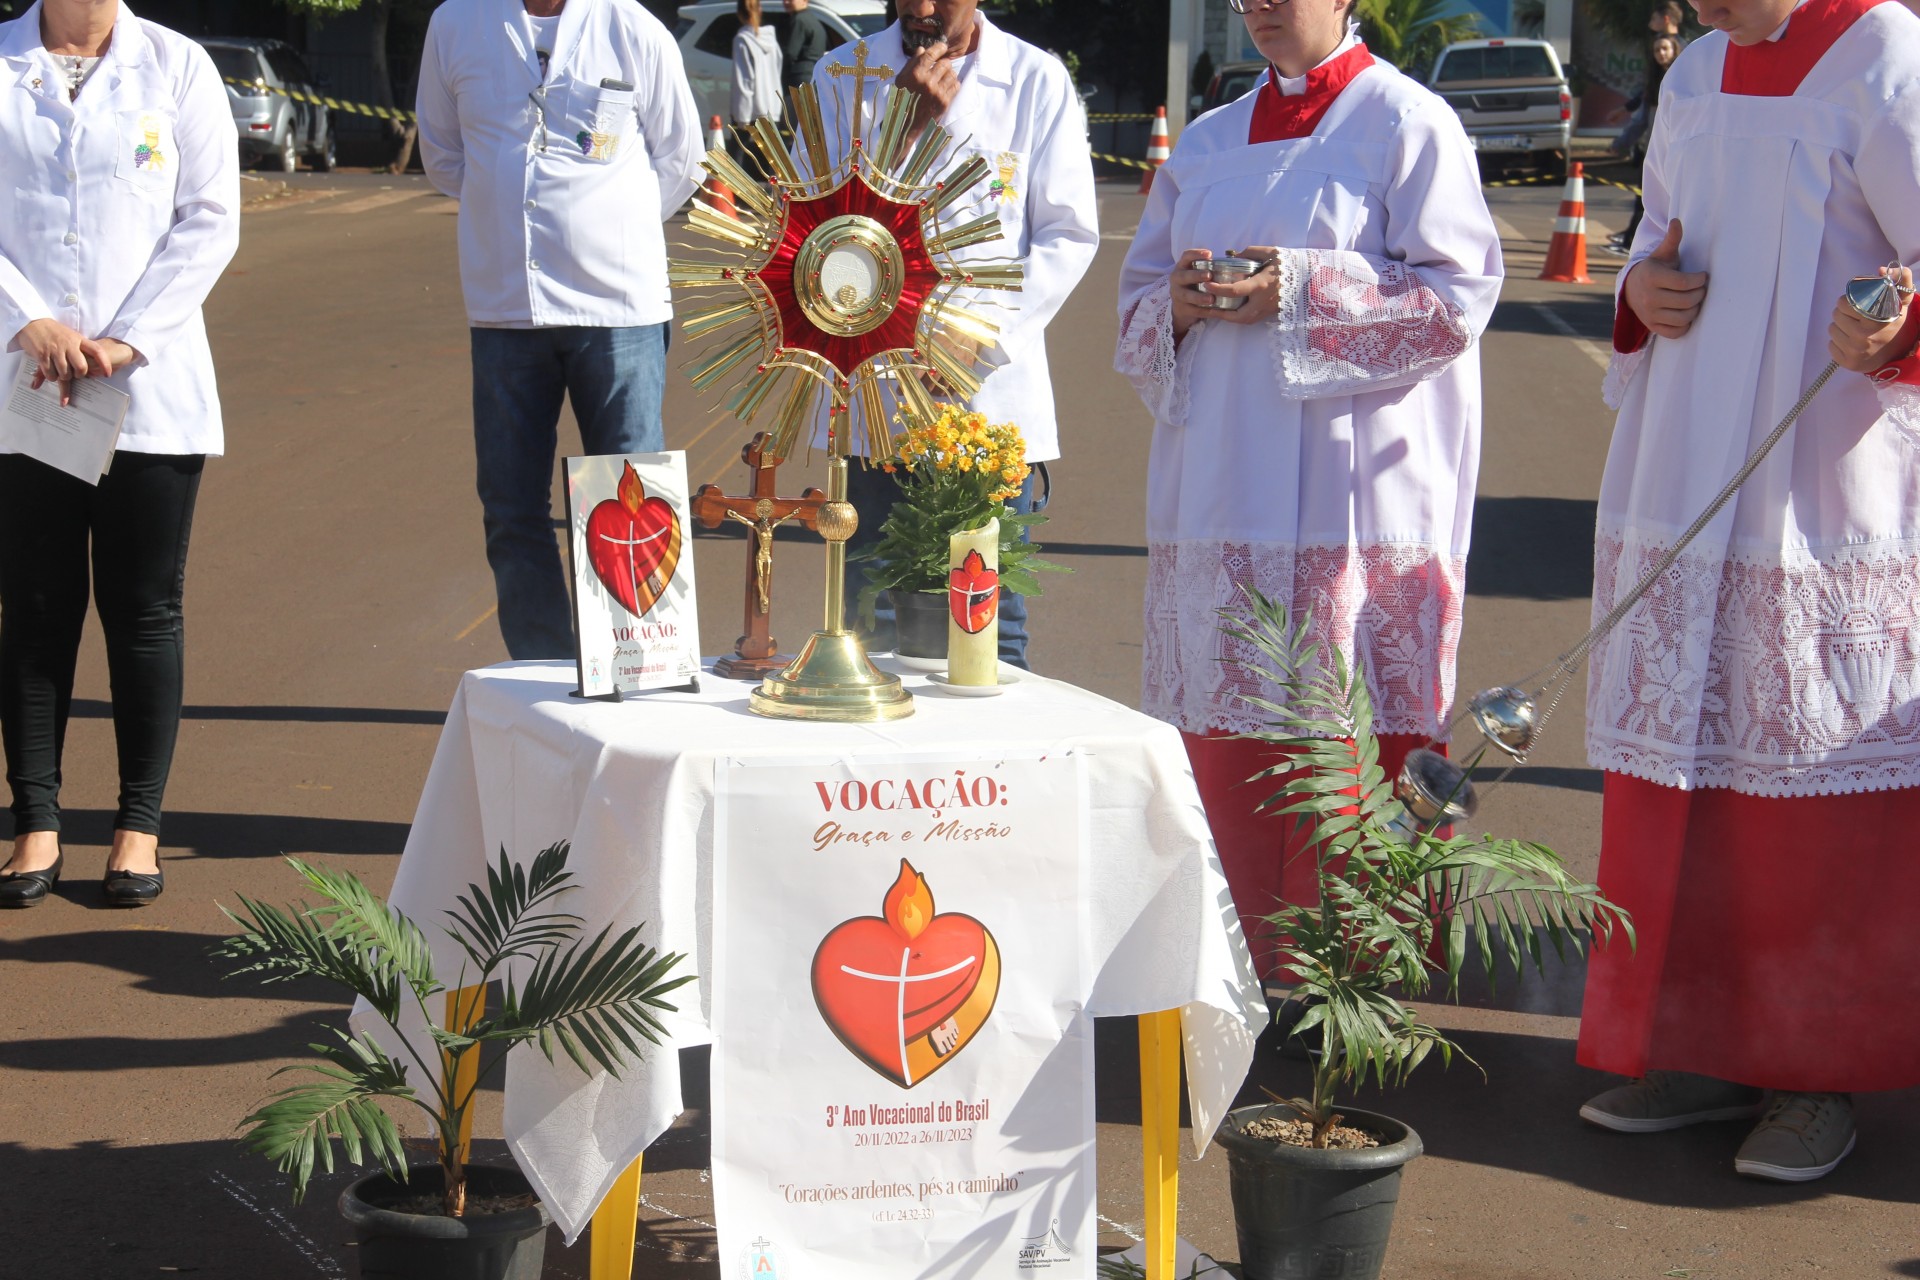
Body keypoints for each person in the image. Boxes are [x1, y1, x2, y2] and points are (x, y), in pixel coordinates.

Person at [1577, 0, 1920, 1183]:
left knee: (1804, 794)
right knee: (1686, 764)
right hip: (1684, 466)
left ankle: (1814, 1072)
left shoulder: (1885, 52)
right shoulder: (1703, 71)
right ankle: (1700, 1043)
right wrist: (1643, 291)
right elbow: (1657, 235)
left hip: (1819, 480)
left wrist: (1899, 321)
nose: (1689, 10)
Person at [1114, 0, 1501, 979]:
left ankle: (1354, 978)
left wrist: (1300, 288)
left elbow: (1457, 300)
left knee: (1351, 725)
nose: (1265, 7)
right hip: (1222, 489)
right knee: (1231, 718)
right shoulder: (1203, 143)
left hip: (1355, 490)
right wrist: (1181, 305)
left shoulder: (1408, 123)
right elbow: (1134, 310)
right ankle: (1232, 962)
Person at [0, 0, 241, 908]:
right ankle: (37, 822)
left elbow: (211, 218)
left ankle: (138, 826)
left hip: (148, 388)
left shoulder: (176, 67)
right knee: (33, 608)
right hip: (25, 386)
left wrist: (126, 340)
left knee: (143, 611)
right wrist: (29, 319)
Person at [810, 0, 1099, 667]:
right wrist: (896, 128)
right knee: (870, 627)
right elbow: (810, 228)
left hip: (990, 398)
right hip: (876, 400)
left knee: (990, 631)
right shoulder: (841, 75)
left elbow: (1067, 232)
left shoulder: (1034, 79)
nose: (920, 9)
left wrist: (981, 335)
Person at [415, 0, 705, 660]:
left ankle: (634, 669)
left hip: (618, 310)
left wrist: (609, 224)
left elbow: (681, 160)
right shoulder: (458, 24)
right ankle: (541, 675)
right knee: (512, 507)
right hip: (506, 308)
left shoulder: (630, 27)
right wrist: (509, 216)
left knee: (629, 494)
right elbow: (443, 156)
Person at [1606, 1, 1687, 255]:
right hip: (1654, 140)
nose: (1660, 53)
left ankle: (1637, 242)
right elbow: (1646, 100)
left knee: (1660, 198)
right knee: (1648, 196)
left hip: (1673, 142)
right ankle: (1635, 241)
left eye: (1664, 49)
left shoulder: (1688, 59)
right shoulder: (1658, 70)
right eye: (1657, 51)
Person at [731, 0, 782, 176]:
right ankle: (779, 195)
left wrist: (741, 115)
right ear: (759, 11)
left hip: (751, 105)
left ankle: (737, 193)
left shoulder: (742, 40)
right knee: (774, 156)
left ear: (739, 14)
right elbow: (778, 68)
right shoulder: (771, 40)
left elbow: (744, 79)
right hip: (771, 103)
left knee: (740, 150)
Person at [781, 0, 829, 94]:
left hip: (799, 77)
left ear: (804, 1)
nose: (786, 2)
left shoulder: (799, 20)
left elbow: (790, 53)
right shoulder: (813, 19)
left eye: (790, 0)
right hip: (814, 75)